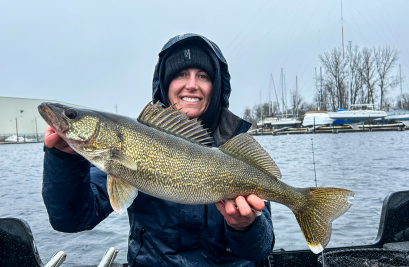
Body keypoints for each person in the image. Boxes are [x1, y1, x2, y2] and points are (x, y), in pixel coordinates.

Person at [42, 33, 275, 266]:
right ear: (165, 83)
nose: (191, 84)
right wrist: (65, 160)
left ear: (216, 87)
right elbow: (71, 219)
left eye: (202, 76)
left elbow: (261, 250)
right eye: (181, 74)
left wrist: (245, 227)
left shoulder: (237, 152)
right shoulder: (129, 143)